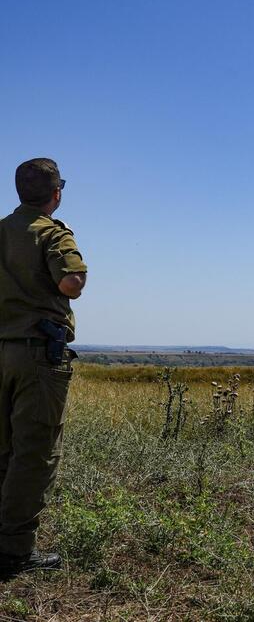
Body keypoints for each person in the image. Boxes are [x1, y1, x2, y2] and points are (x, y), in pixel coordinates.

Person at [0, 158, 87, 577]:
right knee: (34, 453)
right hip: (37, 355)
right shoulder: (52, 232)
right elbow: (71, 282)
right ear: (56, 193)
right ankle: (15, 551)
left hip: (1, 350)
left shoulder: (1, 231)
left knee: (3, 448)